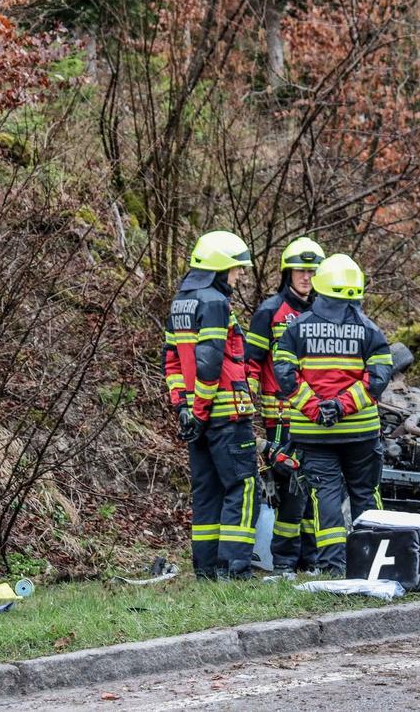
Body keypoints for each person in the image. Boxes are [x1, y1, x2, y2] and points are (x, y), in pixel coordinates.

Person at [272, 254, 393, 576]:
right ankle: (373, 565)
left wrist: (316, 408)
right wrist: (343, 406)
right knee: (365, 494)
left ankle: (332, 568)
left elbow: (284, 374)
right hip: (360, 433)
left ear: (319, 285)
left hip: (314, 435)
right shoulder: (370, 331)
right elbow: (377, 379)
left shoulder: (296, 328)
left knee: (324, 497)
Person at [162, 230, 261, 579]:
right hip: (224, 415)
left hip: (196, 418)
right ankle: (235, 569)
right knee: (243, 486)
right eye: (236, 268)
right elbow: (209, 362)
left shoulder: (180, 302)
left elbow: (172, 362)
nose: (240, 275)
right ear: (219, 267)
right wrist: (201, 411)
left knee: (207, 491)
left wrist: (184, 409)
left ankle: (206, 570)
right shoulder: (215, 302)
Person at [245, 236, 326, 573]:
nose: (306, 277)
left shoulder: (325, 311)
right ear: (287, 273)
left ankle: (311, 559)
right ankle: (285, 562)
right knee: (291, 488)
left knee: (314, 487)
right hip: (280, 417)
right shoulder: (270, 311)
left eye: (313, 271)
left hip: (318, 416)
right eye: (300, 271)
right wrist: (247, 408)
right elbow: (251, 363)